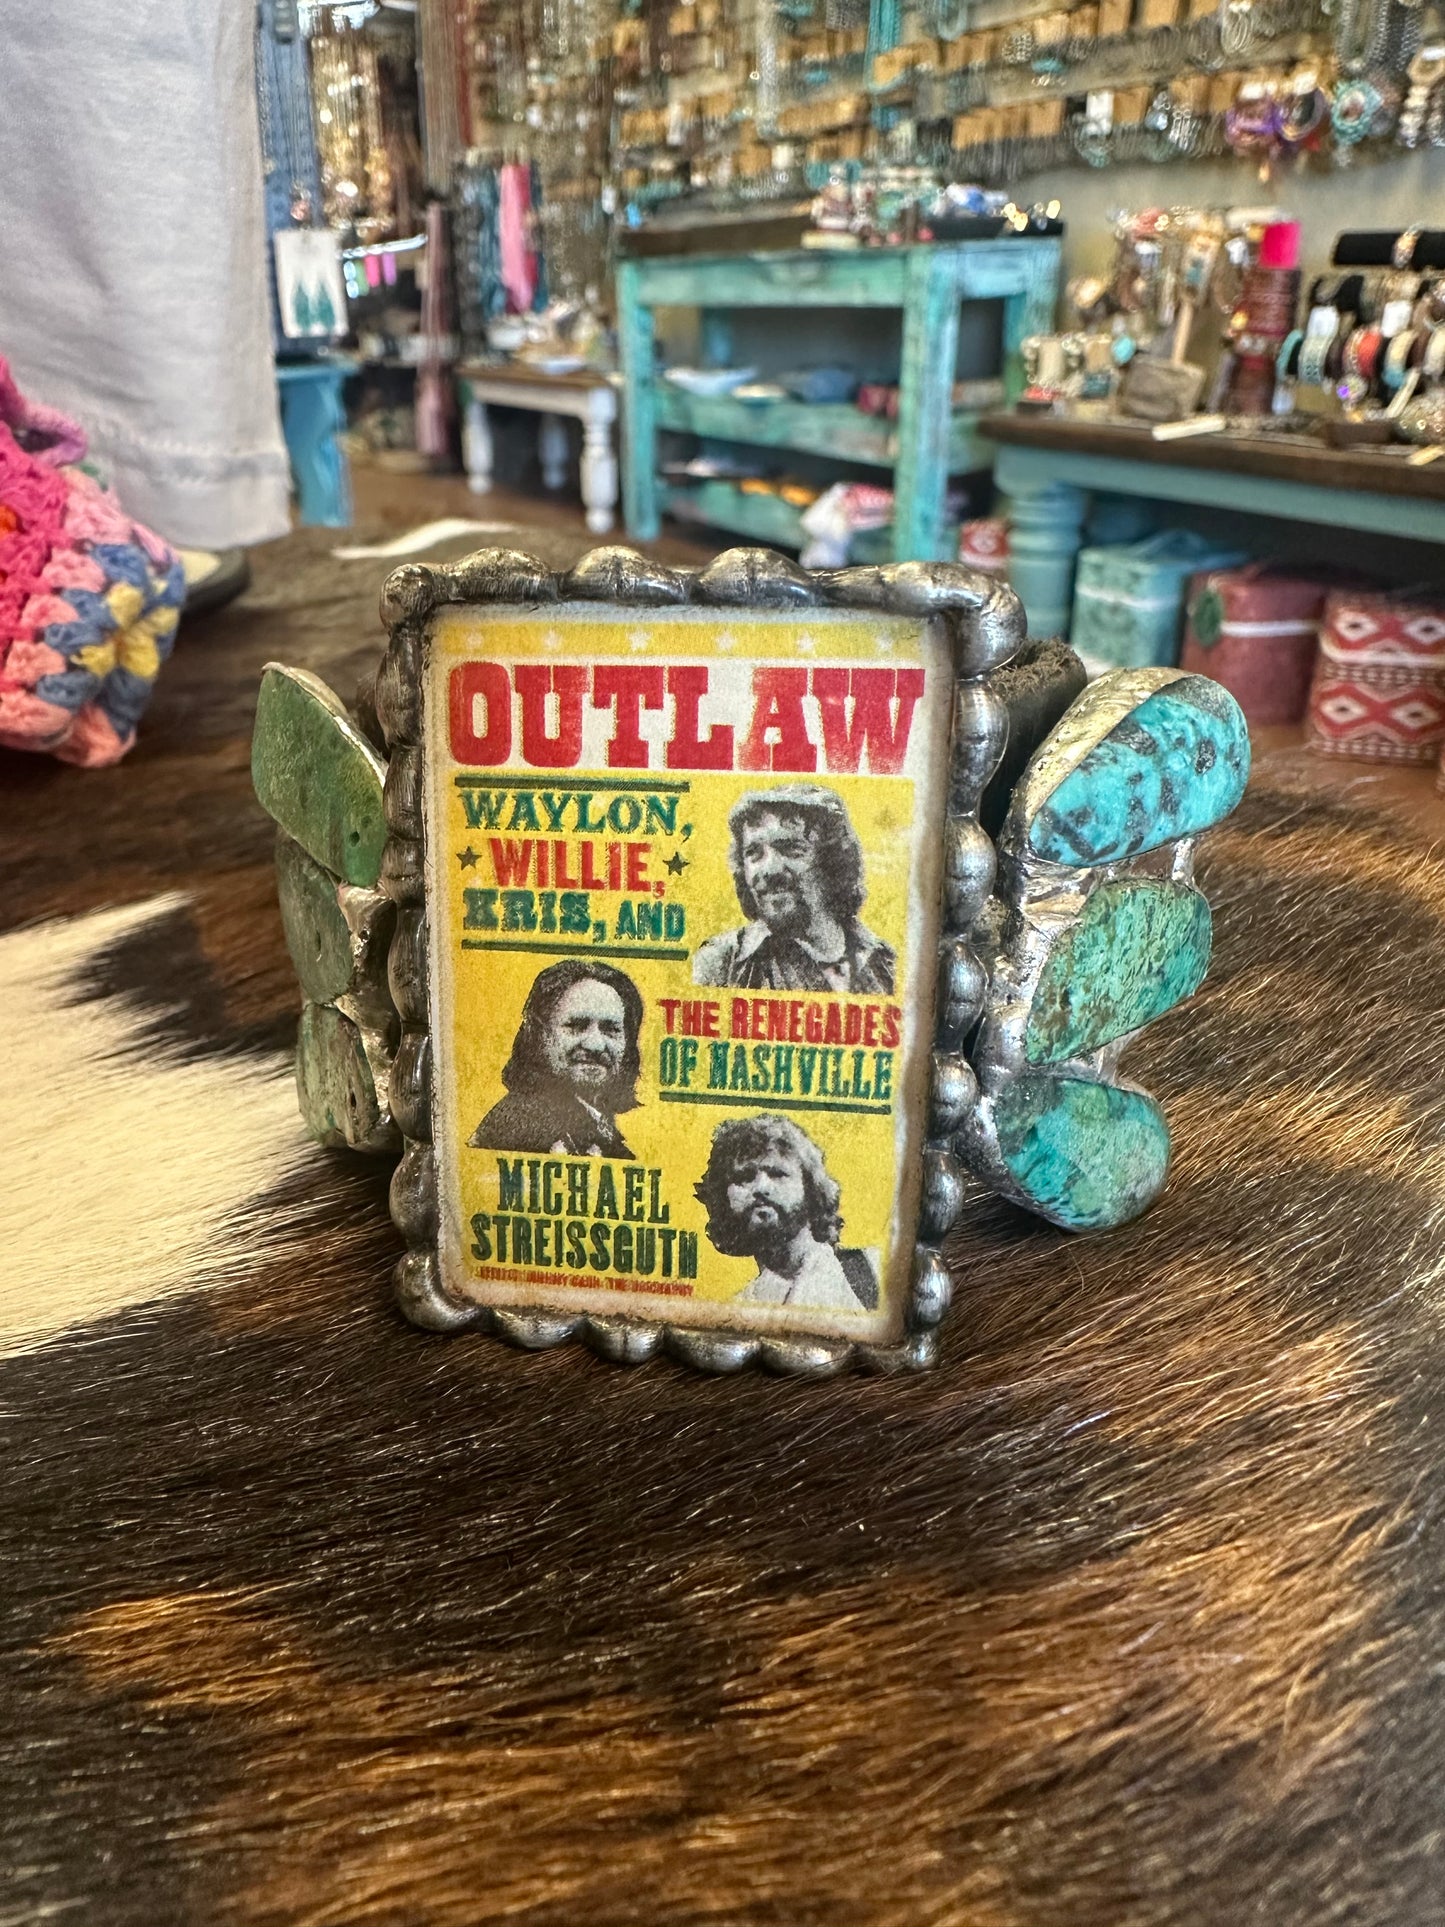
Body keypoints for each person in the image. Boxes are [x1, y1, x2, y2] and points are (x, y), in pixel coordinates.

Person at [691, 785, 895, 993]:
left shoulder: (885, 963)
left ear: (831, 862)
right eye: (753, 852)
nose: (769, 869)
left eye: (791, 848)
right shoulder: (721, 965)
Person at [695, 1115, 877, 1312]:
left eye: (778, 1174)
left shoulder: (874, 1269)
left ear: (810, 1188)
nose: (761, 1188)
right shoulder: (735, 1310)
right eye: (744, 1177)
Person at [469, 960, 644, 1159]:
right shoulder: (515, 1129)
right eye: (575, 1026)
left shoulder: (600, 1130)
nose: (595, 1045)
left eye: (611, 1030)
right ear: (539, 1036)